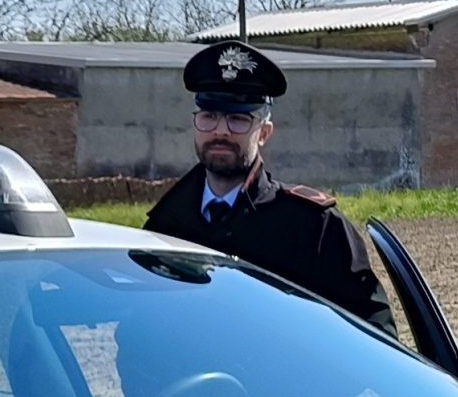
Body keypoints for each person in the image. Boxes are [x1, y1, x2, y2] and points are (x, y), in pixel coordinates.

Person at [141, 41, 393, 329]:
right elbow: (141, 320)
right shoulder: (166, 222)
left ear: (264, 133)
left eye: (238, 119)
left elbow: (373, 329)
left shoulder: (315, 227)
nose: (221, 131)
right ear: (195, 124)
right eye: (209, 116)